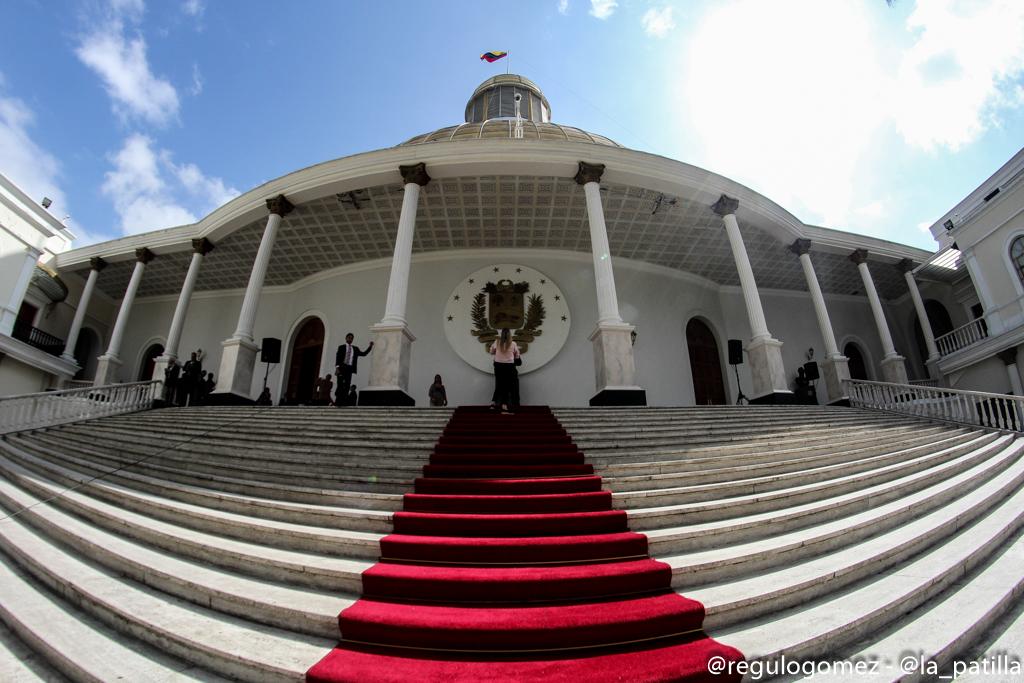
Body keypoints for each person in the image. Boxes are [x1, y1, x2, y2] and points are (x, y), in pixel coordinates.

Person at [335, 333, 373, 406]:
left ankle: (344, 401)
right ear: (346, 338)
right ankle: (338, 401)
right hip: (342, 367)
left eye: (351, 338)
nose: (350, 339)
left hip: (349, 368)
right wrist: (337, 368)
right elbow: (338, 357)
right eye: (349, 337)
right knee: (340, 385)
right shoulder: (341, 347)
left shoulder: (355, 349)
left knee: (347, 385)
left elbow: (363, 354)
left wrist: (370, 347)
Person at [489, 327, 520, 412]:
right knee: (506, 385)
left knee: (499, 384)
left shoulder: (497, 342)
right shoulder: (513, 344)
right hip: (509, 366)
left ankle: (493, 403)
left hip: (498, 366)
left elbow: (491, 352)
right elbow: (517, 356)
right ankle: (504, 406)